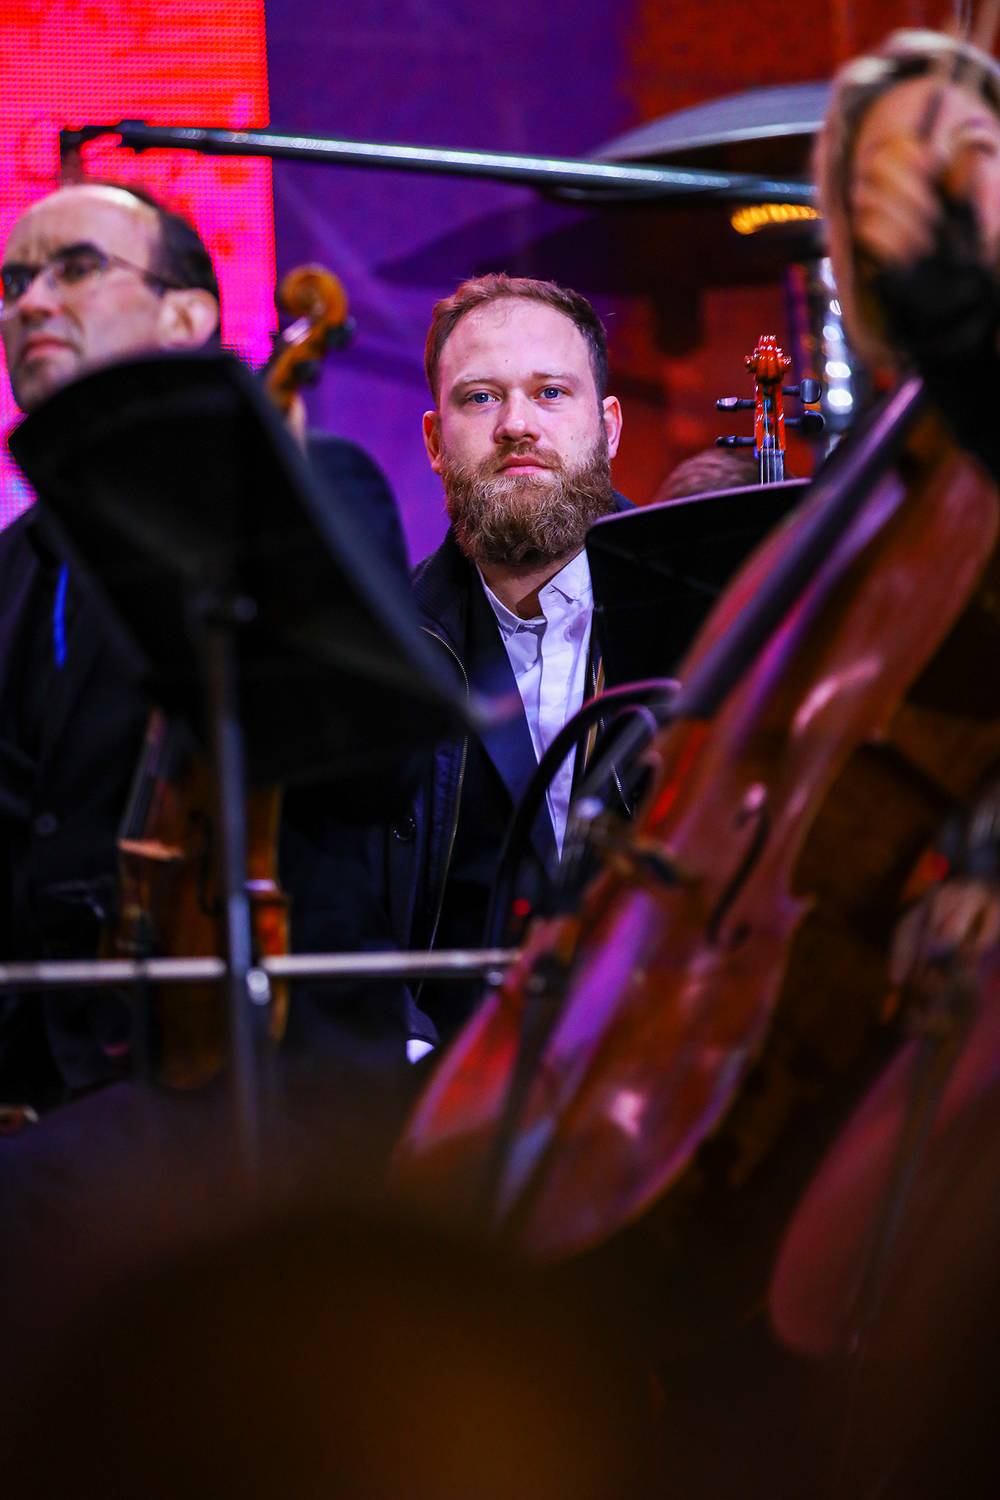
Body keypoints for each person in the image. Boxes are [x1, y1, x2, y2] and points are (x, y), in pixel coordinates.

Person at [0, 181, 415, 1116]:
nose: (31, 304)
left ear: (187, 317)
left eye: (76, 269)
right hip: (57, 1084)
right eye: (15, 283)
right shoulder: (12, 565)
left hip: (266, 1075)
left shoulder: (318, 484)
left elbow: (379, 774)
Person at [378, 273, 630, 1047]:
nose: (517, 425)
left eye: (551, 393)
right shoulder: (381, 655)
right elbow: (345, 916)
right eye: (481, 398)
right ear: (433, 441)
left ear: (608, 426)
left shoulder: (711, 614)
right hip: (452, 1077)